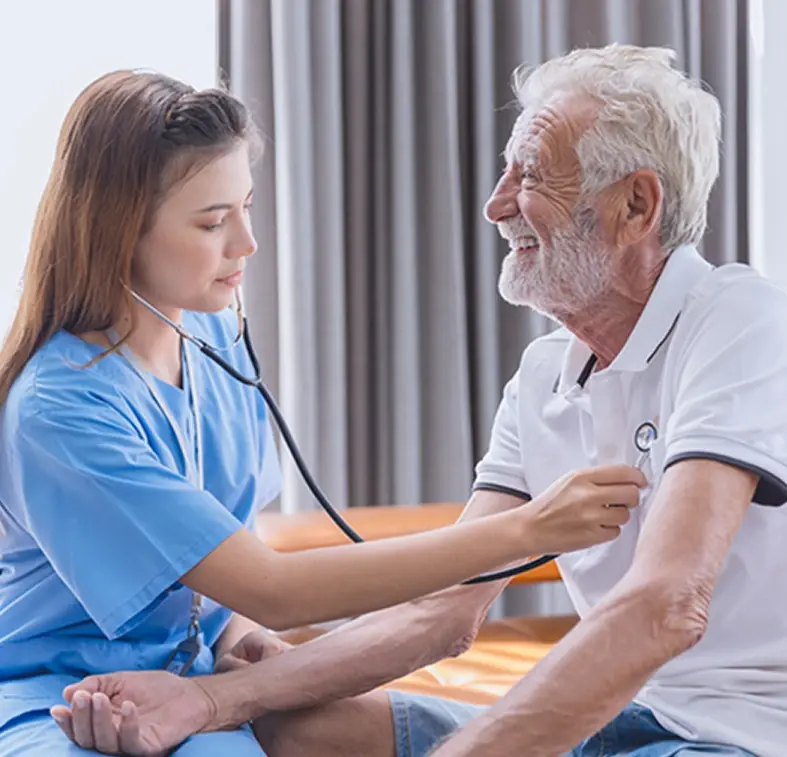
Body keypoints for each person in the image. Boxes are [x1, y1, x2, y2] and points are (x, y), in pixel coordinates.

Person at [53, 43, 787, 756]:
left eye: (531, 176)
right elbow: (443, 612)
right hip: (619, 718)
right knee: (294, 731)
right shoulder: (543, 376)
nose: (495, 205)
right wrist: (216, 699)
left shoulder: (739, 321)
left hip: (742, 732)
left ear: (635, 204)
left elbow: (666, 605)